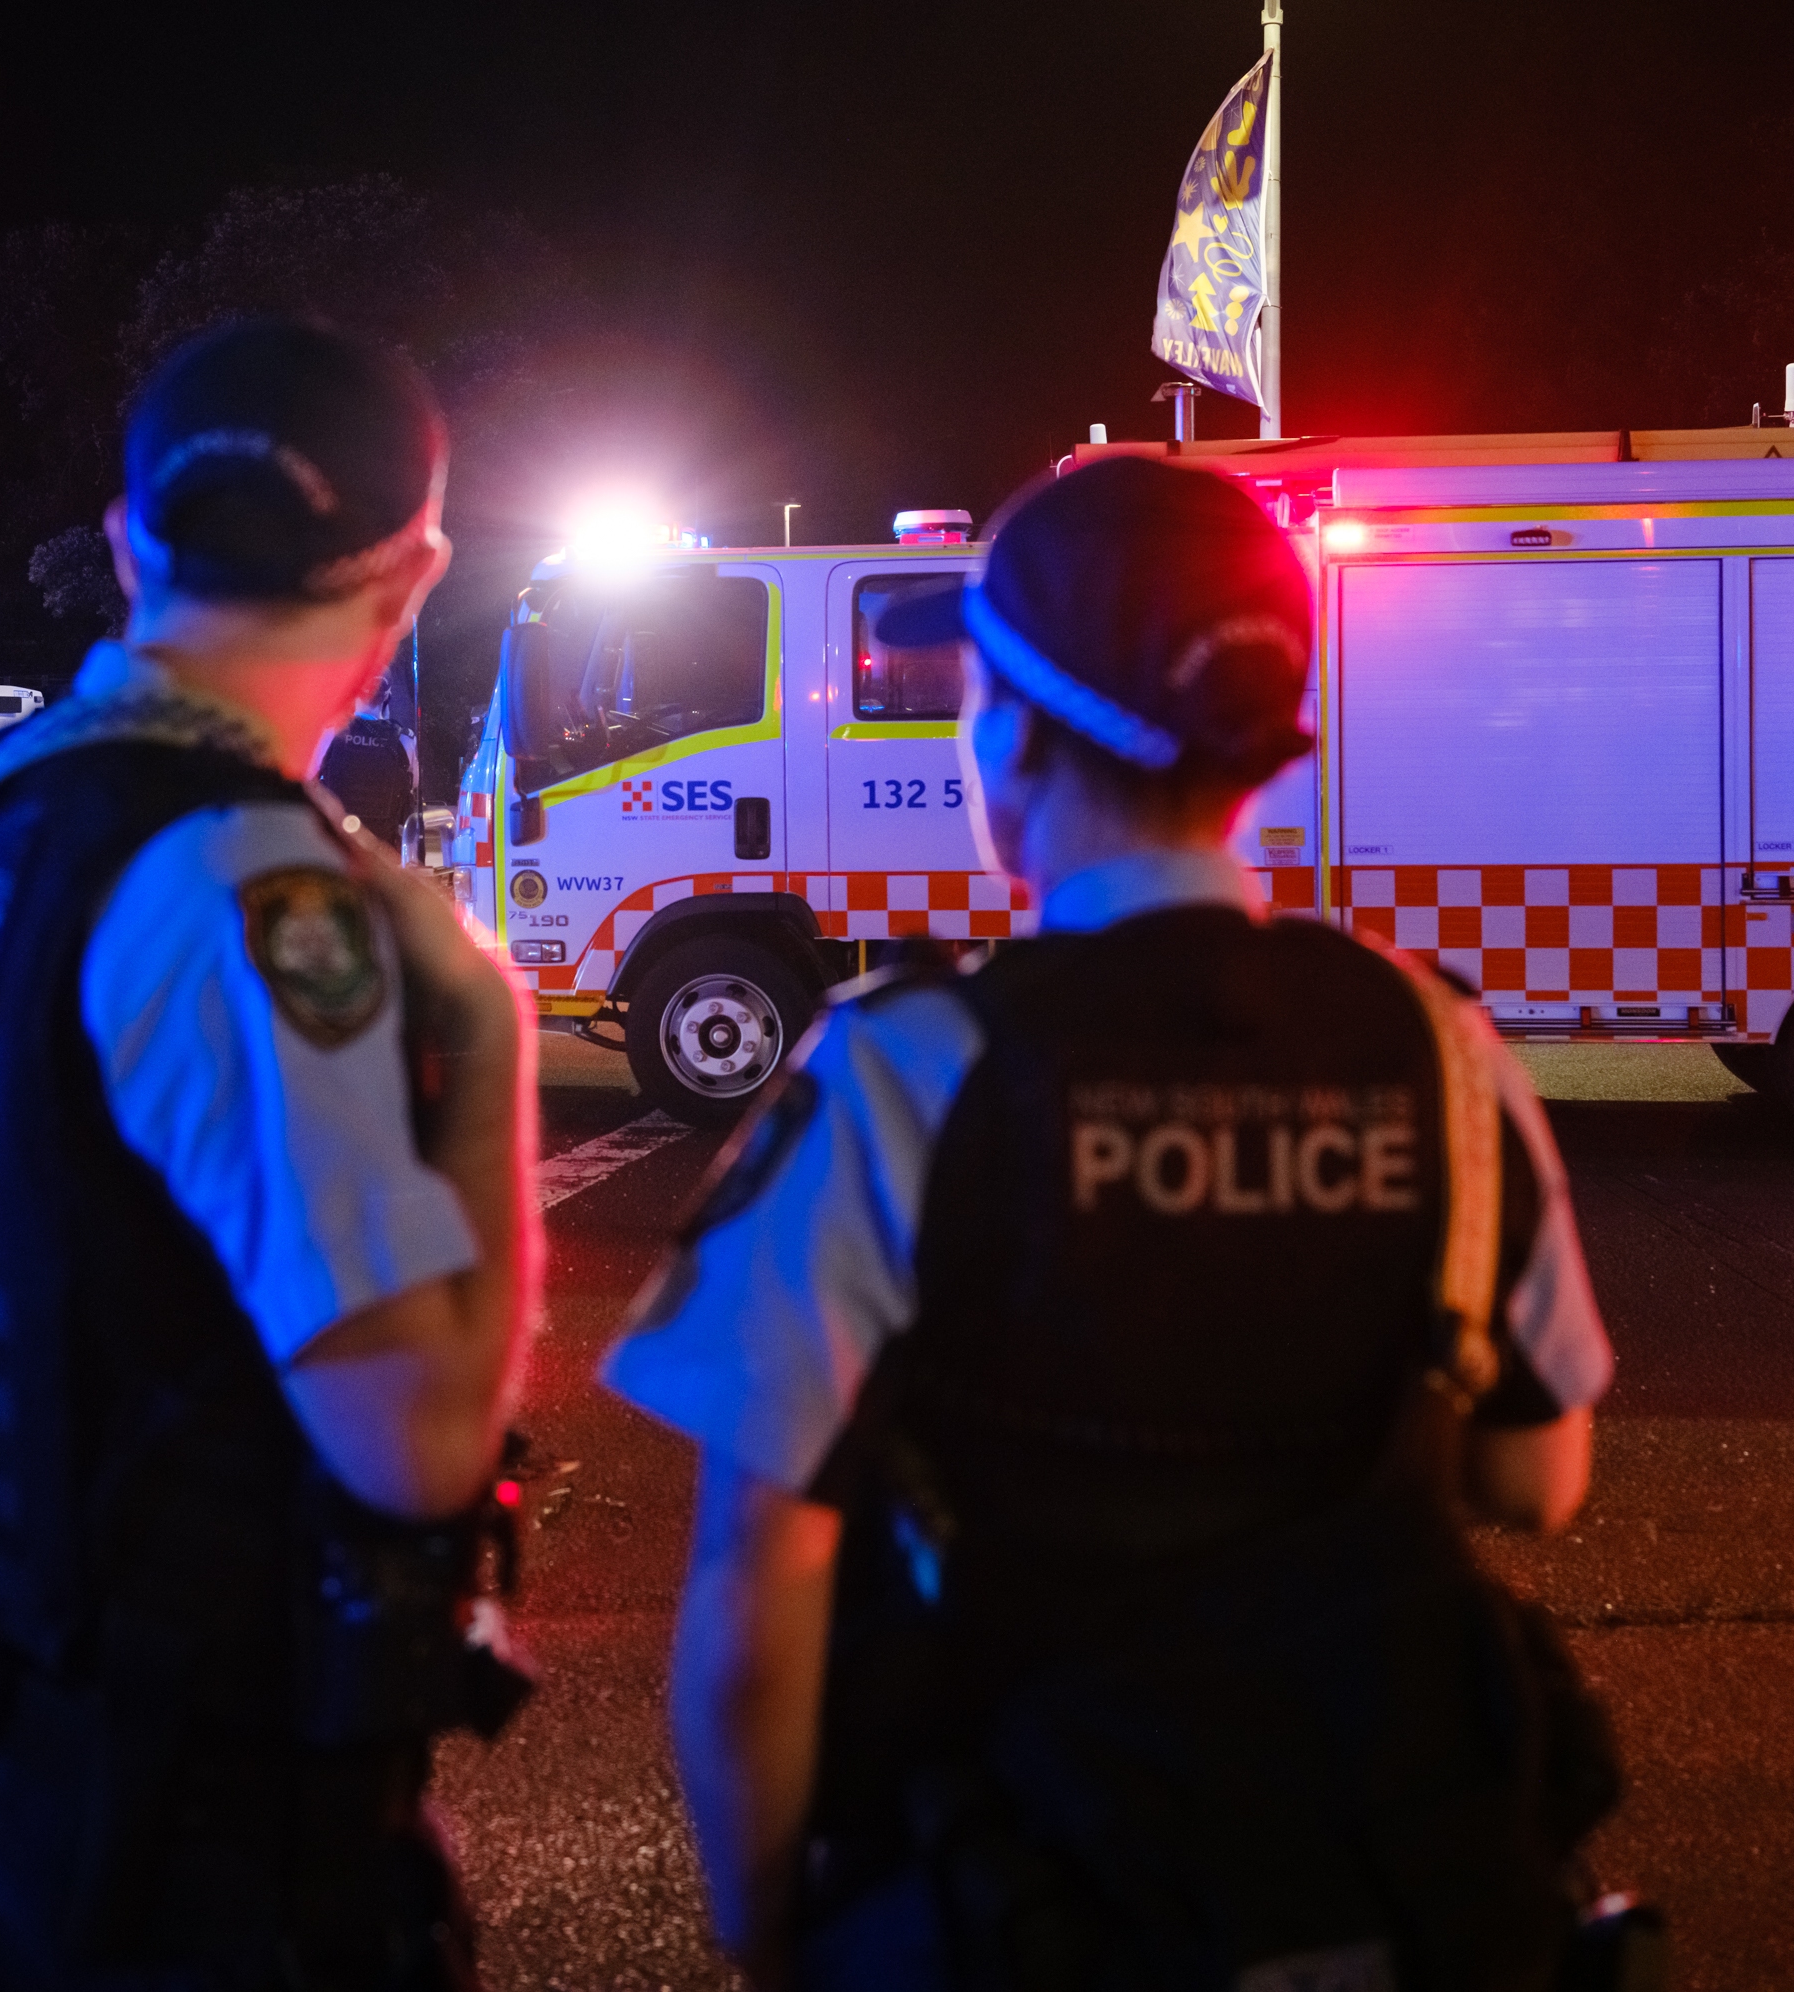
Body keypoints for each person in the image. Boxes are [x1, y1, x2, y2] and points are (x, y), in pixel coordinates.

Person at [602, 456, 1620, 1991]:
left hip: (1020, 1895)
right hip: (1390, 1892)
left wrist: (767, 1932)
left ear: (1005, 732)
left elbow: (761, 1584)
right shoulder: (1434, 1043)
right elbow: (1537, 1473)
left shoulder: (900, 1068)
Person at [0, 318, 541, 1991]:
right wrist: (494, 1045)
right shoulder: (258, 894)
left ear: (132, 535)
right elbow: (416, 1448)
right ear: (412, 574)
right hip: (199, 1831)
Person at [316, 674, 421, 853]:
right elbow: (414, 784)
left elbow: (310, 778)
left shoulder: (331, 732)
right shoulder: (404, 739)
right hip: (382, 846)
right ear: (387, 696)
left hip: (337, 842)